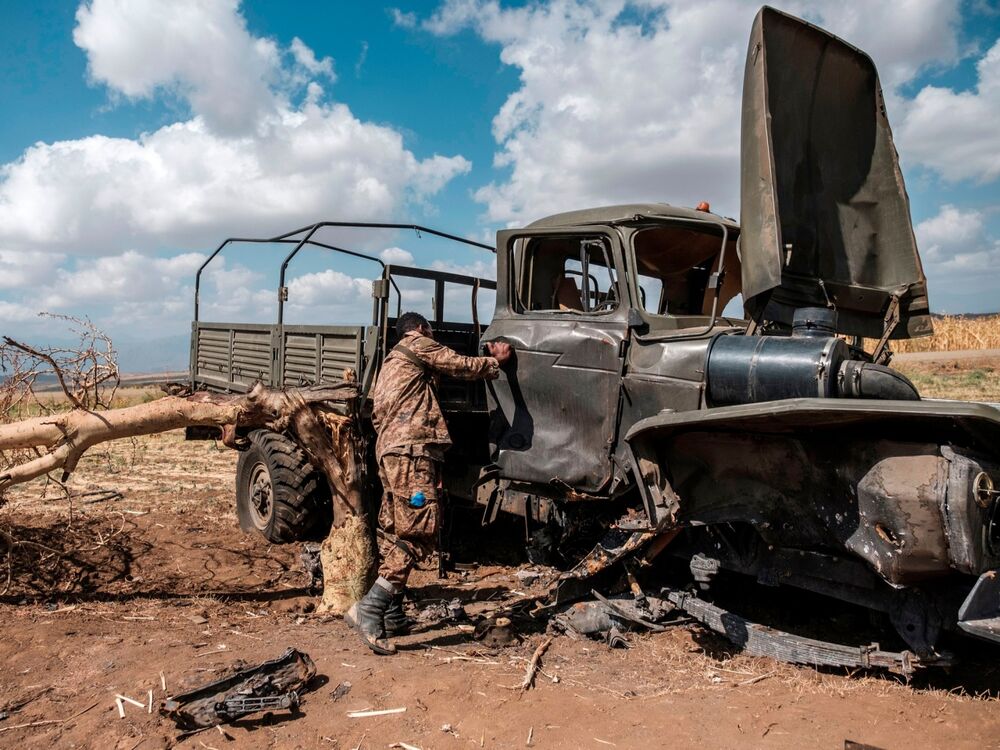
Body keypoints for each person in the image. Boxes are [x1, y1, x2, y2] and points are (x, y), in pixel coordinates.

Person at [345, 311, 512, 654]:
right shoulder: (419, 344)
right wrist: (494, 362)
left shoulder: (390, 363)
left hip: (390, 452)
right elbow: (458, 365)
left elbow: (377, 413)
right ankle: (371, 607)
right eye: (430, 330)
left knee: (393, 529)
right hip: (412, 452)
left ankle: (392, 615)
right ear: (421, 329)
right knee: (421, 530)